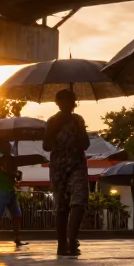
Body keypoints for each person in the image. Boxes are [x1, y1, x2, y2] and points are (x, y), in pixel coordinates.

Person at [44, 89, 91, 256]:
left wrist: (79, 129)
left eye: (70, 101)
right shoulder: (52, 121)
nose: (68, 105)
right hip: (59, 167)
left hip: (77, 165)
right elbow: (46, 146)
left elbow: (85, 144)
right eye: (63, 101)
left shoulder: (78, 120)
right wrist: (55, 128)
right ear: (57, 103)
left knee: (79, 200)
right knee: (62, 207)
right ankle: (62, 242)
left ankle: (72, 238)